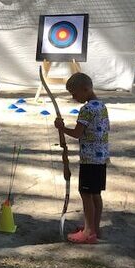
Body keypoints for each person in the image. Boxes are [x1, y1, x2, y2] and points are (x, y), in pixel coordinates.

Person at [55, 72, 109, 244]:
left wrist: (62, 128)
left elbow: (78, 133)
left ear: (85, 89)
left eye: (75, 94)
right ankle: (95, 228)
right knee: (95, 195)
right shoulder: (101, 106)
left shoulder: (86, 109)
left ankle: (88, 232)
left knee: (86, 194)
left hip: (90, 160)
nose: (74, 97)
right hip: (100, 160)